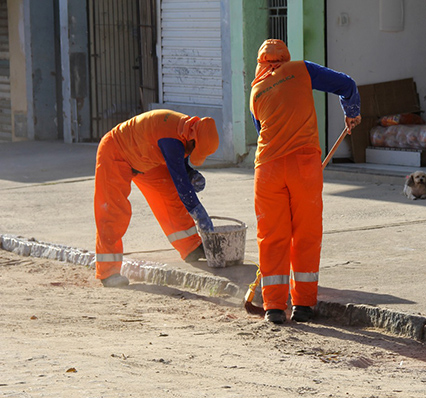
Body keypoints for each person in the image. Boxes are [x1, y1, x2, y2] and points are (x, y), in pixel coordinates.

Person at [249, 39, 361, 325]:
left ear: (261, 64)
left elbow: (262, 131)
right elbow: (347, 85)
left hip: (268, 170)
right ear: (286, 59)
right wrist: (352, 114)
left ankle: (273, 307)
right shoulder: (301, 70)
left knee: (272, 236)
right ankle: (303, 306)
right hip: (304, 167)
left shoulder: (256, 91)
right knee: (306, 235)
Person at [94, 109, 219, 287]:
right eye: (193, 149)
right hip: (116, 153)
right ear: (192, 139)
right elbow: (180, 180)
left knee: (169, 196)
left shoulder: (186, 129)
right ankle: (108, 272)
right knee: (112, 211)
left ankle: (191, 247)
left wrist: (190, 173)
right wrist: (199, 213)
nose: (191, 153)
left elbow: (178, 162)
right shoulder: (171, 138)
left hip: (145, 157)